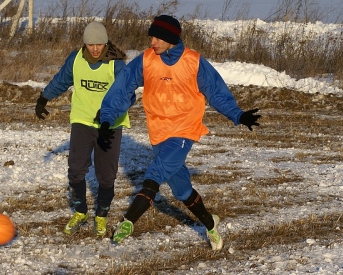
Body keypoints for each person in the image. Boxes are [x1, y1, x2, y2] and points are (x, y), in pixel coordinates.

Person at [97, 15, 261, 250]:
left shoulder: (193, 61)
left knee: (155, 172)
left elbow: (215, 91)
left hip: (184, 131)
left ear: (170, 39)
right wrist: (106, 119)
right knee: (182, 189)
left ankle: (128, 221)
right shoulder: (146, 60)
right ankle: (210, 224)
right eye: (151, 36)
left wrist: (238, 114)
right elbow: (122, 88)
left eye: (156, 37)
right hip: (158, 132)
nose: (152, 41)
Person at [35, 21, 130, 237]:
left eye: (99, 44)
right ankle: (80, 212)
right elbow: (62, 80)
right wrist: (44, 98)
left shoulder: (116, 65)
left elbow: (127, 95)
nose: (95, 49)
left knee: (106, 176)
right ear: (84, 44)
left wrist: (110, 115)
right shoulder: (76, 58)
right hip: (82, 121)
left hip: (110, 125)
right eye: (90, 44)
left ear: (106, 43)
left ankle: (101, 215)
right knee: (76, 169)